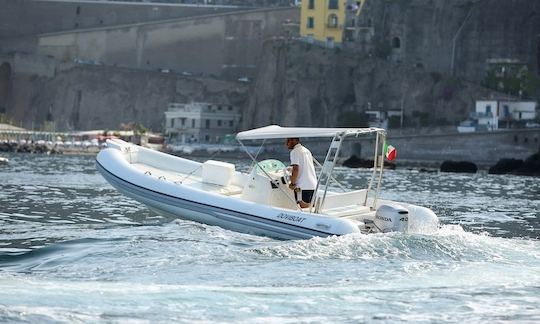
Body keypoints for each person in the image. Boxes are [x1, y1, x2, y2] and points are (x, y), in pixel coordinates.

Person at [286, 137, 317, 208]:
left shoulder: (294, 152)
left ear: (294, 140)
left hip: (302, 186)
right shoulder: (307, 150)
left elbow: (296, 169)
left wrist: (292, 184)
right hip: (312, 185)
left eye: (288, 141)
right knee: (310, 208)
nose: (286, 143)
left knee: (303, 208)